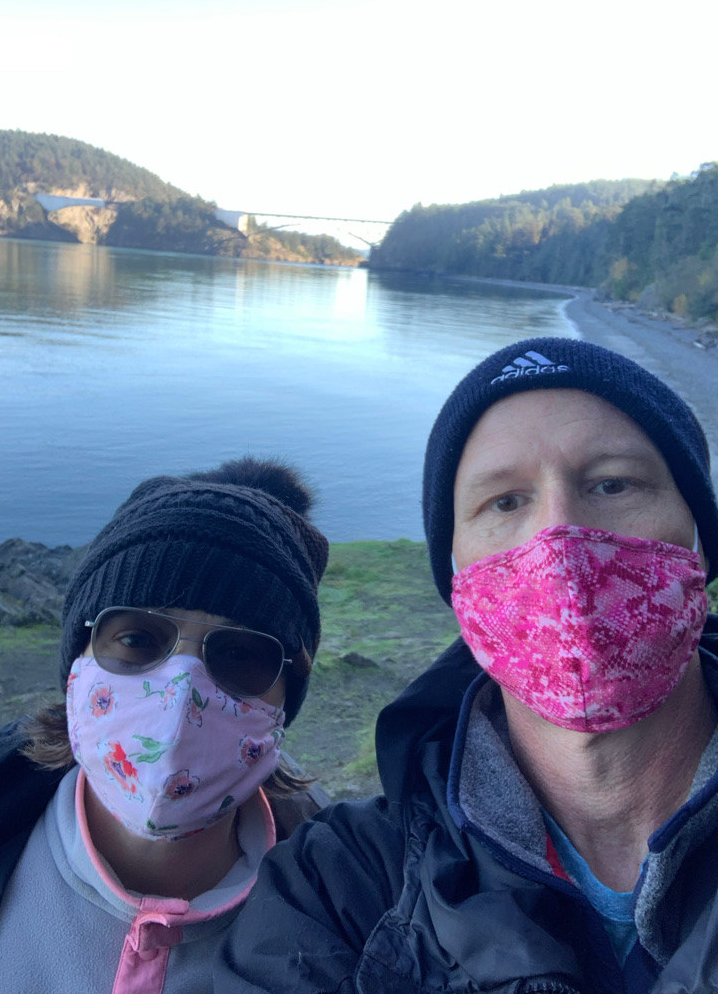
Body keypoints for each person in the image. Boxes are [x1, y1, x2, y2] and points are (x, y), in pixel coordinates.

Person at [215, 337, 718, 994]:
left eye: (612, 484)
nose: (558, 541)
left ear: (700, 539)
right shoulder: (337, 888)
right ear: (457, 578)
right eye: (505, 502)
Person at [0, 456, 329, 994]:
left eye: (240, 654)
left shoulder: (350, 899)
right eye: (137, 639)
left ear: (286, 695)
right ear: (78, 659)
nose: (180, 694)